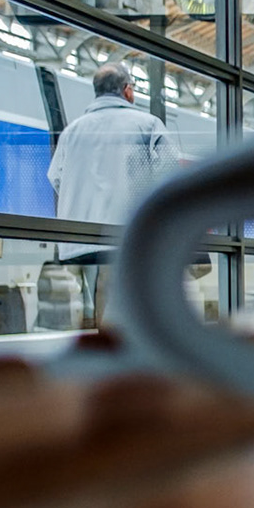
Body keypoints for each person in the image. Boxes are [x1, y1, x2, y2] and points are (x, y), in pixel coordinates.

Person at [47, 61, 179, 325]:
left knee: (93, 306)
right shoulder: (147, 124)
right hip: (125, 239)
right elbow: (168, 177)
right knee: (127, 309)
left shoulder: (72, 131)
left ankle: (97, 351)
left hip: (78, 244)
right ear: (127, 90)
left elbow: (56, 177)